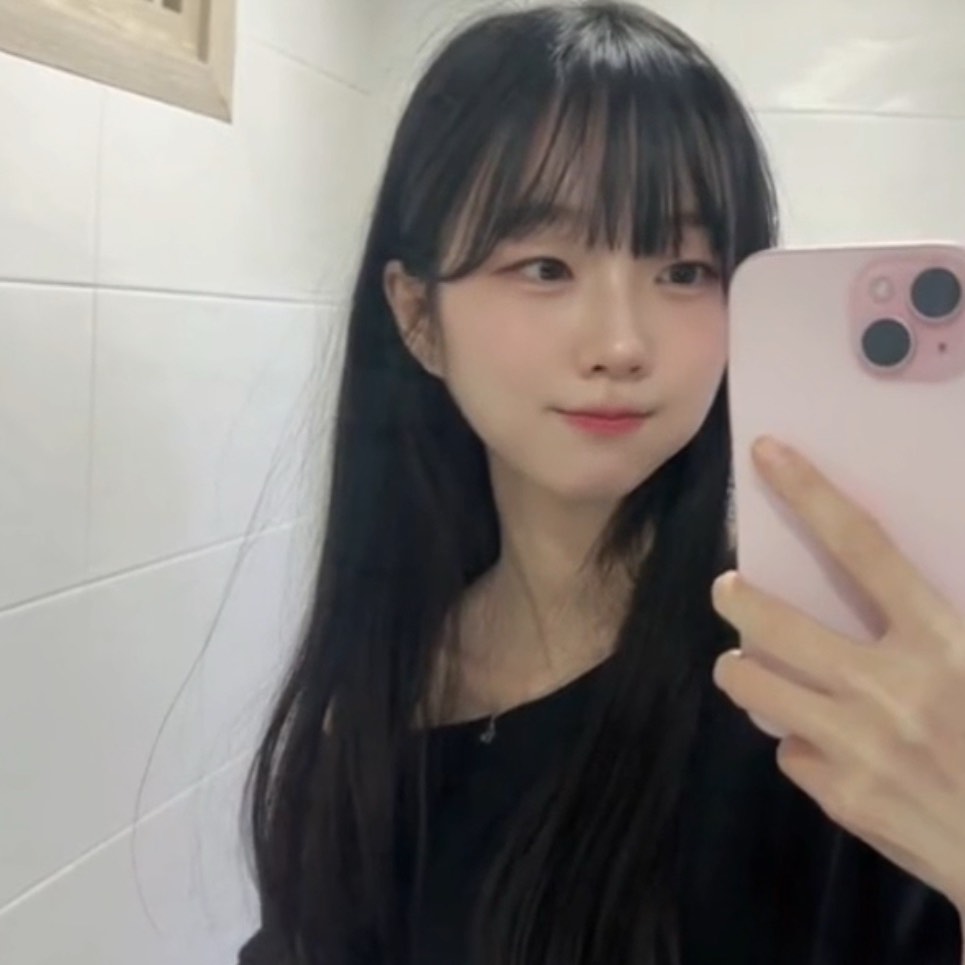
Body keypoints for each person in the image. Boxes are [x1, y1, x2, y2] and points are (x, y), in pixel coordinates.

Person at [236, 3, 965, 963]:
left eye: (684, 270)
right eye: (545, 266)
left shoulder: (822, 693)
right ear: (416, 316)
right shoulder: (382, 684)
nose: (621, 344)